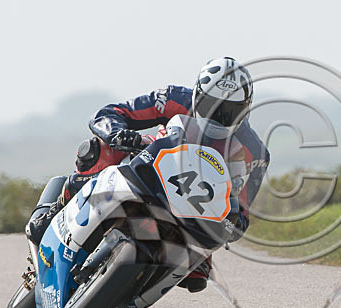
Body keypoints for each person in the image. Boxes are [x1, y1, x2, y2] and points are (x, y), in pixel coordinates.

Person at [26, 57, 270, 293]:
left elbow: (242, 215)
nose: (218, 117)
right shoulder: (174, 98)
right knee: (96, 150)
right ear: (197, 96)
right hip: (155, 162)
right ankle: (59, 206)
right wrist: (119, 134)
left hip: (194, 206)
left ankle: (172, 265)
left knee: (200, 267)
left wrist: (234, 219)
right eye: (211, 105)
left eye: (229, 111)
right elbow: (109, 114)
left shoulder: (254, 152)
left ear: (246, 109)